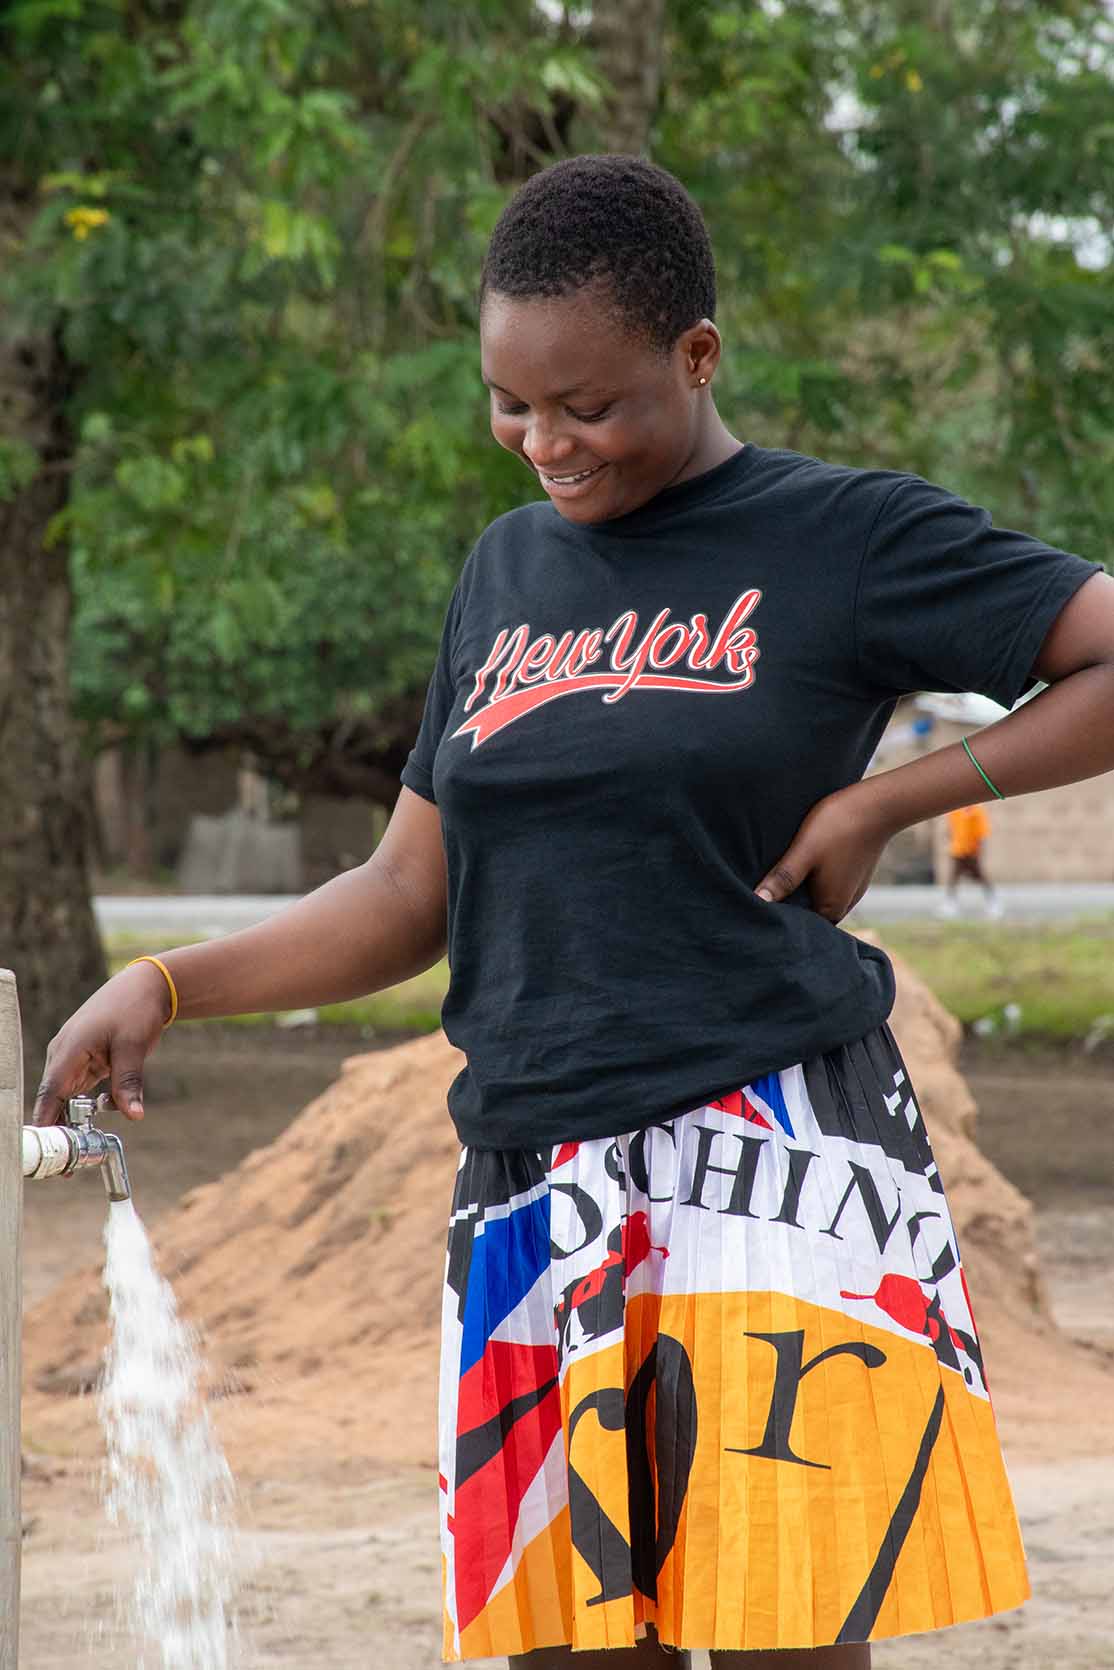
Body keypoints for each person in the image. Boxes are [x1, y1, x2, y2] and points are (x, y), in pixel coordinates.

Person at [33, 156, 1114, 1668]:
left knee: (777, 1634)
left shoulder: (841, 535)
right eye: (510, 404)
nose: (544, 442)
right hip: (533, 1165)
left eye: (587, 405)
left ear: (697, 354)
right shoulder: (505, 570)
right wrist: (167, 977)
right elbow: (411, 891)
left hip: (772, 1153)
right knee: (560, 1645)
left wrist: (886, 800)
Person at [940, 803, 1001, 916]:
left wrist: (979, 852)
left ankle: (993, 902)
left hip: (972, 850)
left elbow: (982, 833)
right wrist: (950, 842)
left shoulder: (977, 811)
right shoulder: (955, 810)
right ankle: (950, 904)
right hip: (958, 849)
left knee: (981, 876)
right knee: (953, 876)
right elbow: (951, 828)